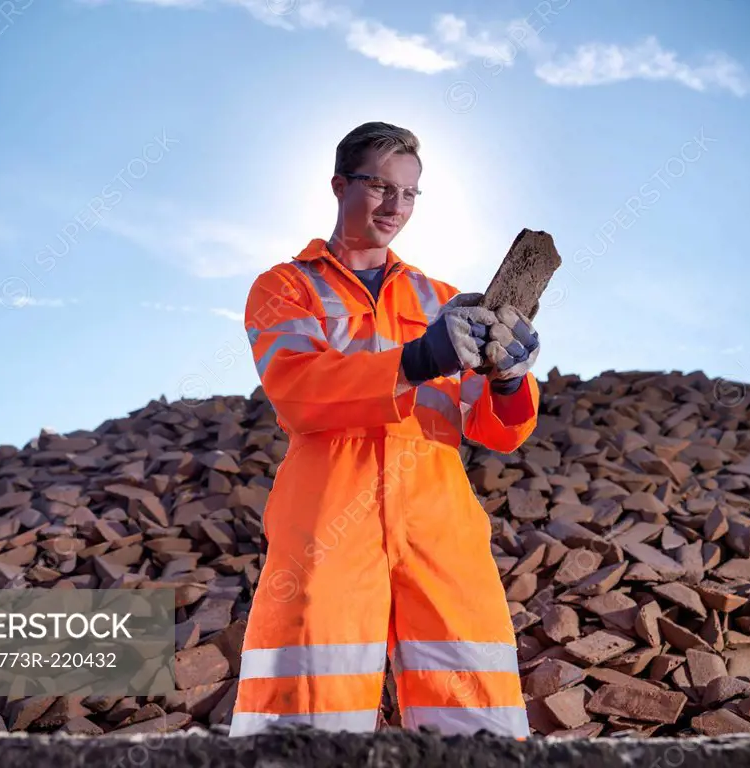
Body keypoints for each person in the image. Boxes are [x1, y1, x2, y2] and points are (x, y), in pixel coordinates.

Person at [229, 121, 542, 739]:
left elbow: (496, 429)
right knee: (310, 706)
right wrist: (415, 360)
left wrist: (508, 379)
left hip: (438, 513)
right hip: (327, 513)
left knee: (474, 701)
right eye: (380, 188)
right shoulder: (286, 288)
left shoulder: (444, 298)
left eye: (410, 194)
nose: (396, 207)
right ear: (340, 185)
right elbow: (296, 389)